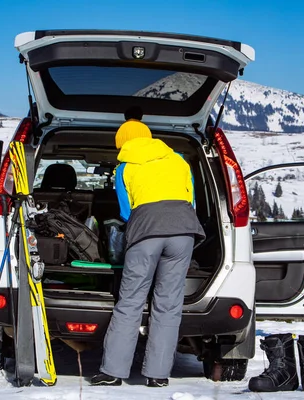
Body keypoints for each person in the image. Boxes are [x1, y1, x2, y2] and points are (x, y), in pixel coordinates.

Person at [90, 117, 205, 387]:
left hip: (146, 234)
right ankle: (158, 374)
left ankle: (113, 372)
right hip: (183, 232)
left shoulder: (125, 168)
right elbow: (192, 200)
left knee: (130, 302)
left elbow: (125, 211)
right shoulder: (178, 159)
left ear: (123, 144)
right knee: (168, 304)